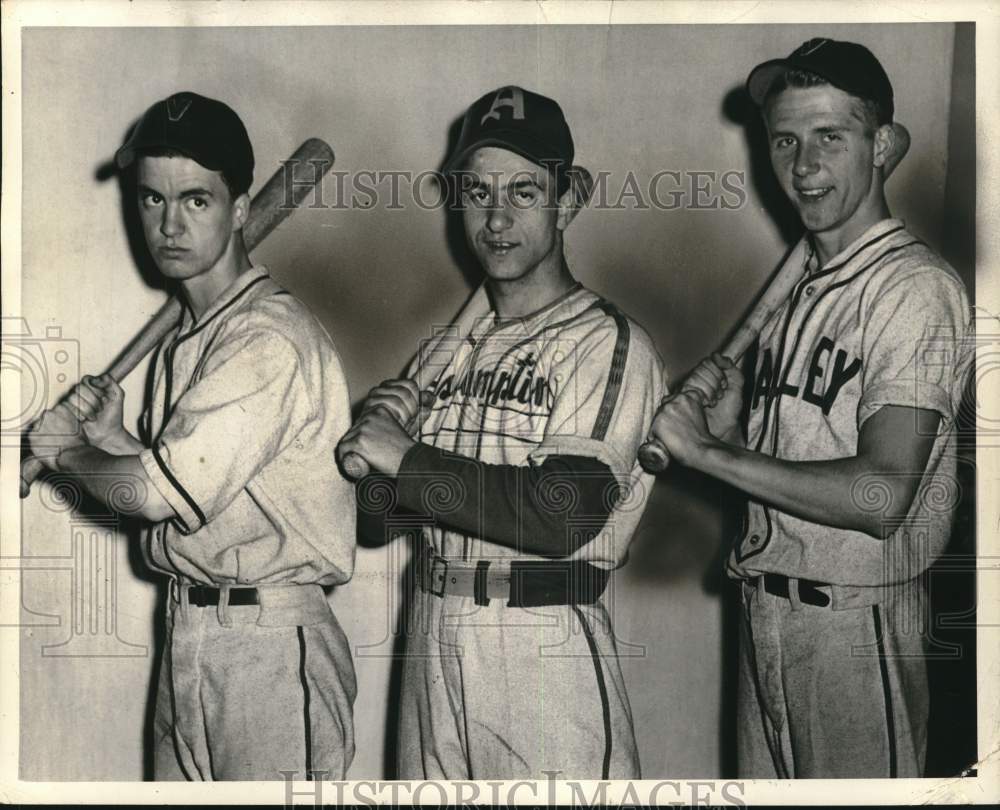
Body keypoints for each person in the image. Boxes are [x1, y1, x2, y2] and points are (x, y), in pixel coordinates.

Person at [647, 39, 972, 778]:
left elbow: (880, 495)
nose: (803, 165)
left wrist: (710, 454)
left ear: (882, 146)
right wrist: (732, 432)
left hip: (854, 628)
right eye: (785, 140)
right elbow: (794, 475)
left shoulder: (912, 289)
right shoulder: (800, 293)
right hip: (763, 612)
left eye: (830, 136)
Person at [28, 91, 358, 781]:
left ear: (240, 210)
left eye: (196, 200)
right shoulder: (195, 336)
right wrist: (113, 440)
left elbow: (152, 494)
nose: (169, 224)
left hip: (268, 650)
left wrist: (66, 454)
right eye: (152, 199)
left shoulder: (266, 340)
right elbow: (185, 496)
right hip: (191, 631)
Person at [337, 85, 664, 779]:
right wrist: (377, 448)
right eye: (477, 192)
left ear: (568, 199)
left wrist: (407, 458)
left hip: (540, 640)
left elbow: (562, 513)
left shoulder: (606, 343)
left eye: (523, 191)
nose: (496, 217)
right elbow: (376, 524)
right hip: (431, 632)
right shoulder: (446, 352)